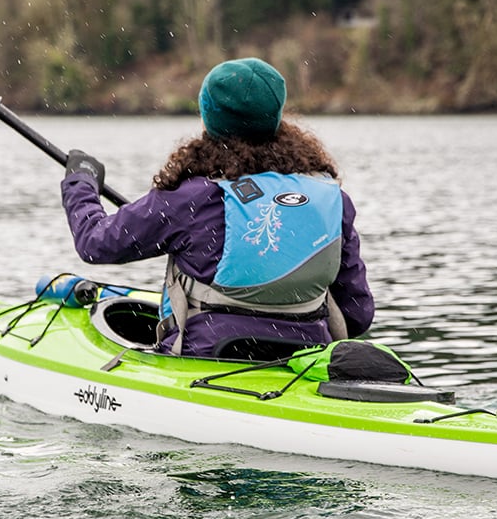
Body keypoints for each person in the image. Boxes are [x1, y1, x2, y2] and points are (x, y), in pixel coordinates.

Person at [59, 57, 374, 359]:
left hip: (209, 360)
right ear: (276, 116)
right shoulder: (332, 200)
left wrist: (81, 182)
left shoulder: (189, 199)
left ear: (208, 119)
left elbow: (94, 242)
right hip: (306, 361)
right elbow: (357, 315)